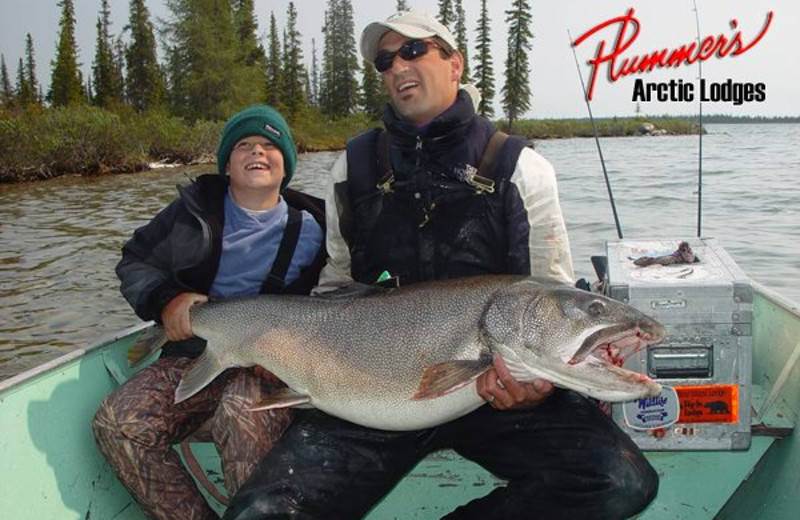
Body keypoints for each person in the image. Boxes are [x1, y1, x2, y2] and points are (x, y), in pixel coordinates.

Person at [224, 11, 658, 520]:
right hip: (370, 393)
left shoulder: (522, 168)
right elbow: (335, 285)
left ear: (455, 64)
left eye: (414, 50)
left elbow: (552, 292)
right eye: (386, 60)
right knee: (261, 513)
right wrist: (298, 355)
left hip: (496, 391)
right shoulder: (353, 167)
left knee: (619, 483)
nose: (397, 66)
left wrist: (536, 386)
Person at [92, 105, 326, 520]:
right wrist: (166, 300)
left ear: (286, 164)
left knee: (239, 413)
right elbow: (134, 262)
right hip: (195, 353)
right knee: (117, 422)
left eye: (270, 146)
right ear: (227, 164)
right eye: (244, 145)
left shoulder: (318, 226)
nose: (257, 152)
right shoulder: (190, 212)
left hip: (271, 368)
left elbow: (350, 293)